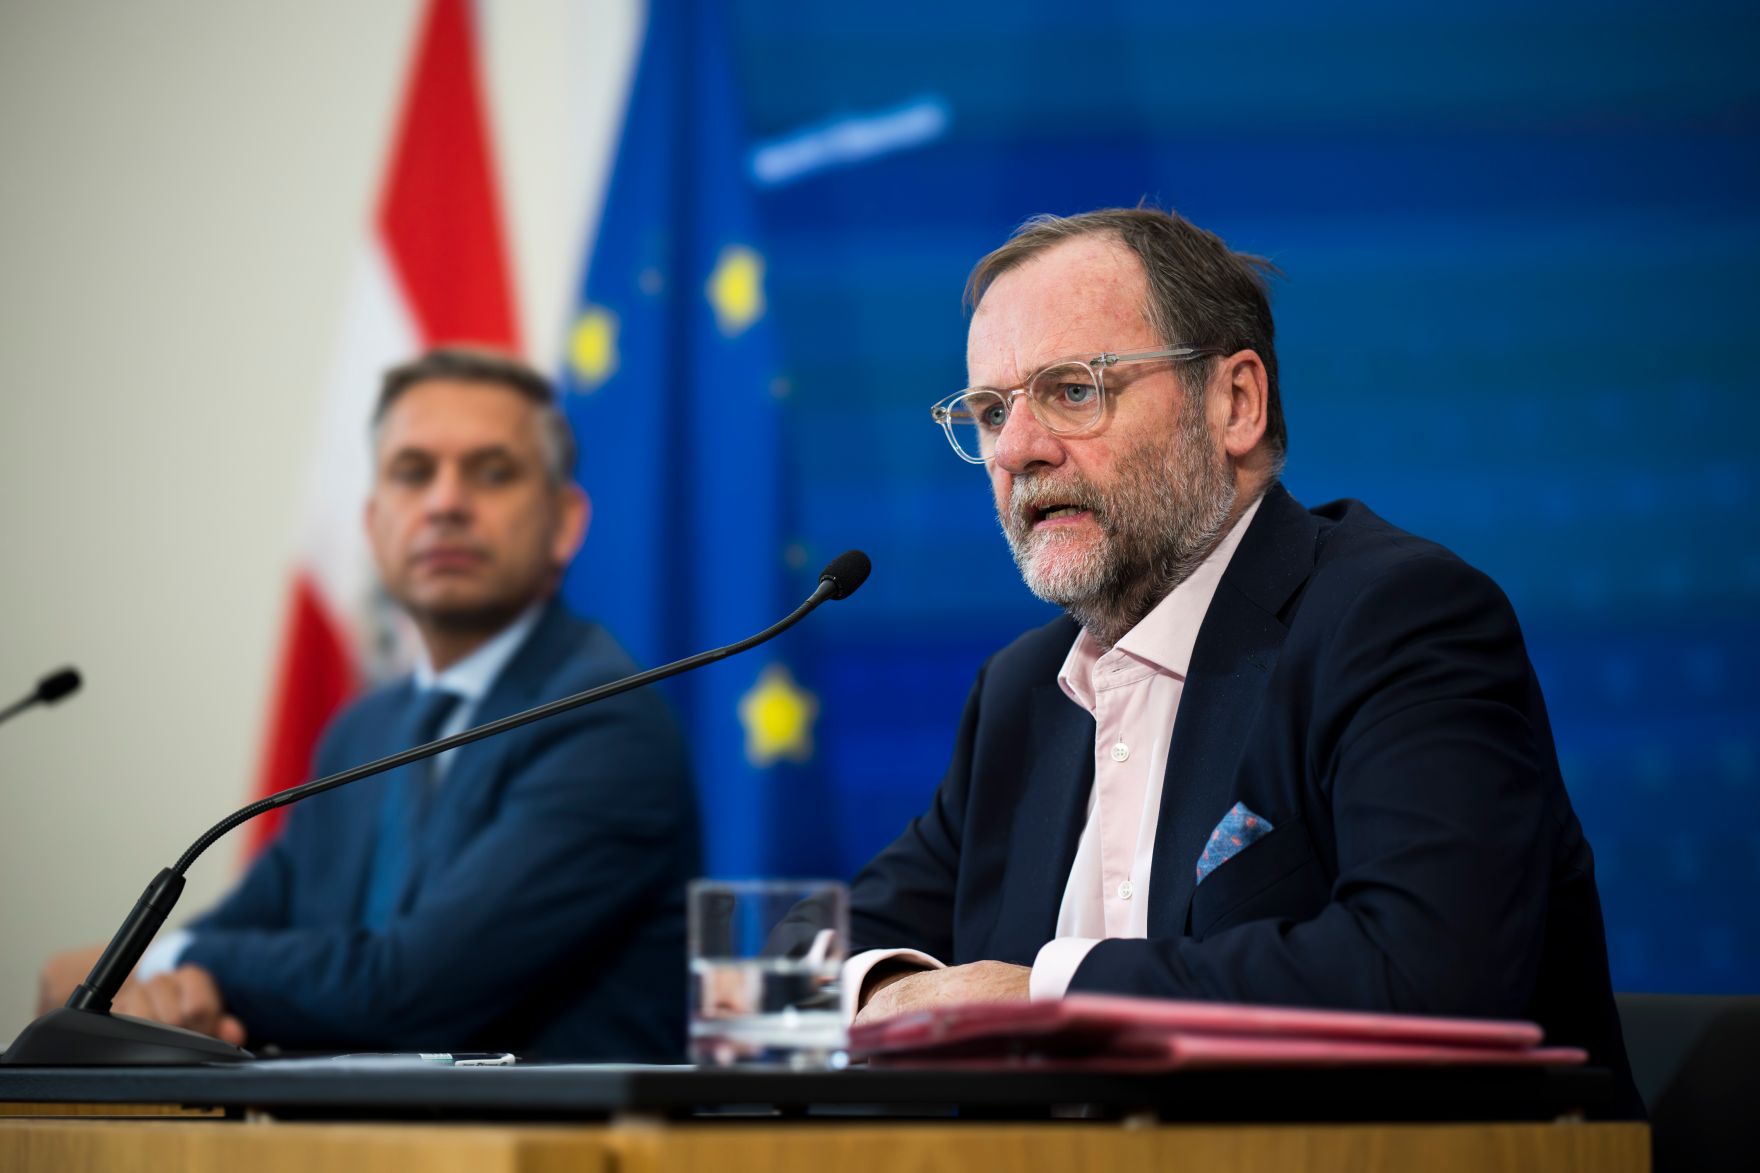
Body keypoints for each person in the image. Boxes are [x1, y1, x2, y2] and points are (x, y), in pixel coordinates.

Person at [825, 207, 1637, 1097]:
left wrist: (1039, 996)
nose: (1017, 449)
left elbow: (1433, 978)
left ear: (1235, 403)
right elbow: (809, 953)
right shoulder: (1024, 693)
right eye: (989, 410)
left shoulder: (1396, 621)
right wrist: (892, 990)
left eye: (1073, 389)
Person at [37, 348, 699, 1060]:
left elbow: (411, 989)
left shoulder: (603, 720)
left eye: (493, 472)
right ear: (374, 519)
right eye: (413, 472)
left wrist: (159, 962)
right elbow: (250, 924)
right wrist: (165, 983)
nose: (446, 502)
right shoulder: (365, 732)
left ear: (565, 523)